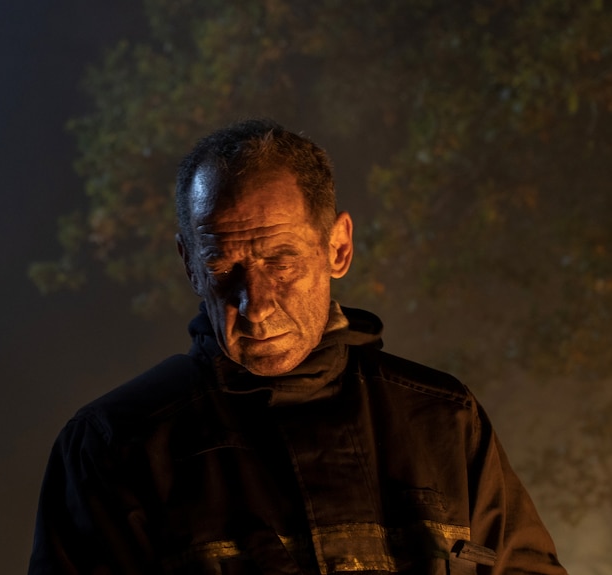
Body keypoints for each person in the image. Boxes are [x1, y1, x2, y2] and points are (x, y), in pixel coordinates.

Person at [28, 119, 567, 574]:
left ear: (337, 247)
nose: (256, 305)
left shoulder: (445, 421)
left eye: (280, 261)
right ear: (189, 264)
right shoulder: (115, 448)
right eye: (222, 266)